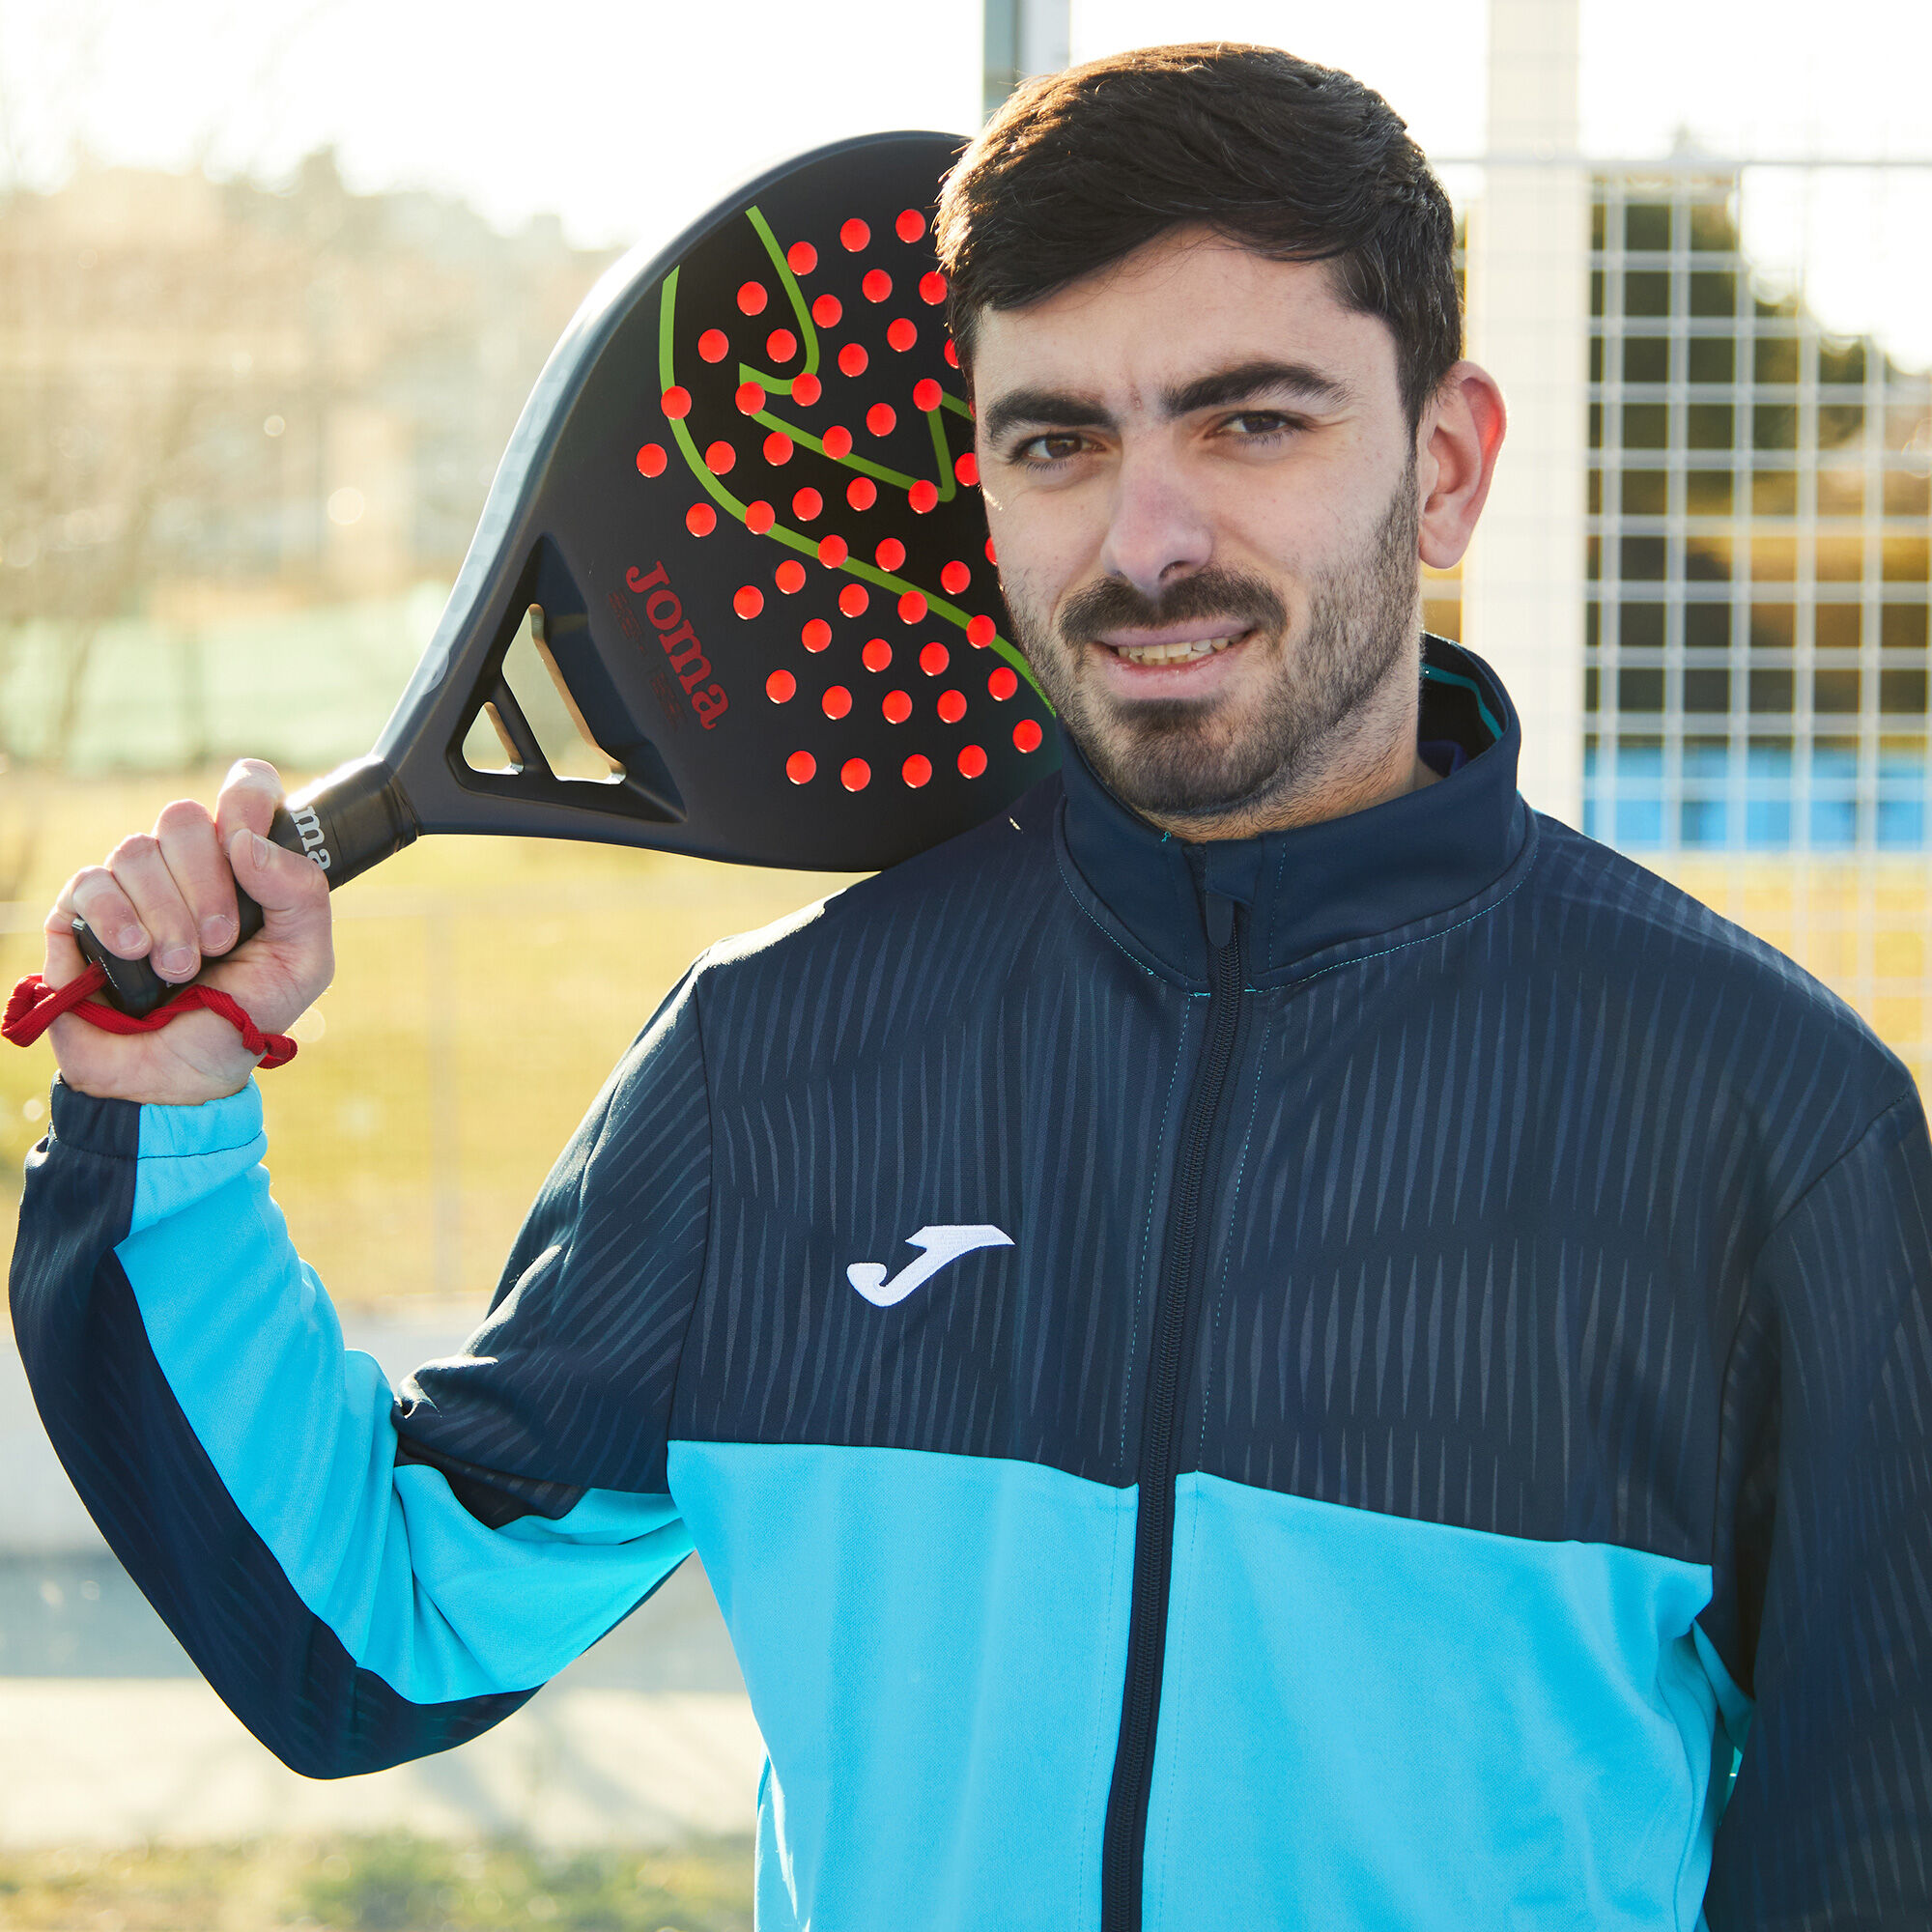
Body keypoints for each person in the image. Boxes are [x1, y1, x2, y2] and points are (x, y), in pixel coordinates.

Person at [10, 42, 1930, 1932]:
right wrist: (166, 1116)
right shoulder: (773, 1066)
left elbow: (1875, 1849)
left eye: (1252, 420)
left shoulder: (1767, 1119)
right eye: (1056, 441)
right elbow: (383, 1629)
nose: (1147, 537)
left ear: (1442, 467)